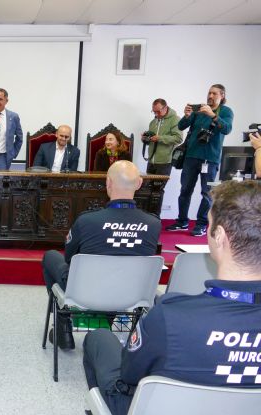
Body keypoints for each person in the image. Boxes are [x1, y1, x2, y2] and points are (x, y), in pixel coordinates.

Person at [82, 180, 261, 415]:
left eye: (208, 224)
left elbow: (129, 374)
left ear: (219, 237)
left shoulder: (170, 315)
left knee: (99, 337)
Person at [42, 161, 161, 350]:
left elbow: (69, 258)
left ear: (108, 183)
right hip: (133, 294)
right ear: (139, 184)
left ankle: (63, 324)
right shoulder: (153, 224)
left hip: (85, 293)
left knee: (51, 256)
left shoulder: (87, 220)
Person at [166, 84, 233, 237]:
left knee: (207, 193)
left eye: (214, 93)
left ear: (222, 95)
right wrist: (187, 115)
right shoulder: (199, 110)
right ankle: (182, 221)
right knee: (185, 190)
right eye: (209, 93)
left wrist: (213, 115)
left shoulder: (226, 111)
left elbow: (227, 129)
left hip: (210, 159)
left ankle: (202, 224)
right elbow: (181, 126)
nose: (210, 96)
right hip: (191, 157)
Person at [142, 98, 182, 176]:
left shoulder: (175, 119)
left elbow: (178, 138)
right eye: (154, 112)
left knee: (158, 187)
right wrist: (145, 139)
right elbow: (151, 142)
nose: (156, 114)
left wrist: (159, 138)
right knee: (148, 187)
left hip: (164, 163)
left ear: (165, 108)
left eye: (158, 111)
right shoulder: (152, 122)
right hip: (151, 162)